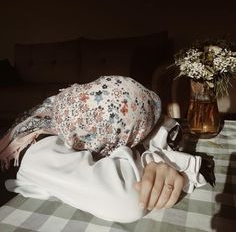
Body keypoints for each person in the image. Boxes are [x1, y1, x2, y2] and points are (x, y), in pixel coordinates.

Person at [0, 75, 206, 223]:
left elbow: (169, 127)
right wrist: (147, 160)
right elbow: (126, 201)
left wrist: (153, 156)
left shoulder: (83, 106)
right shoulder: (41, 154)